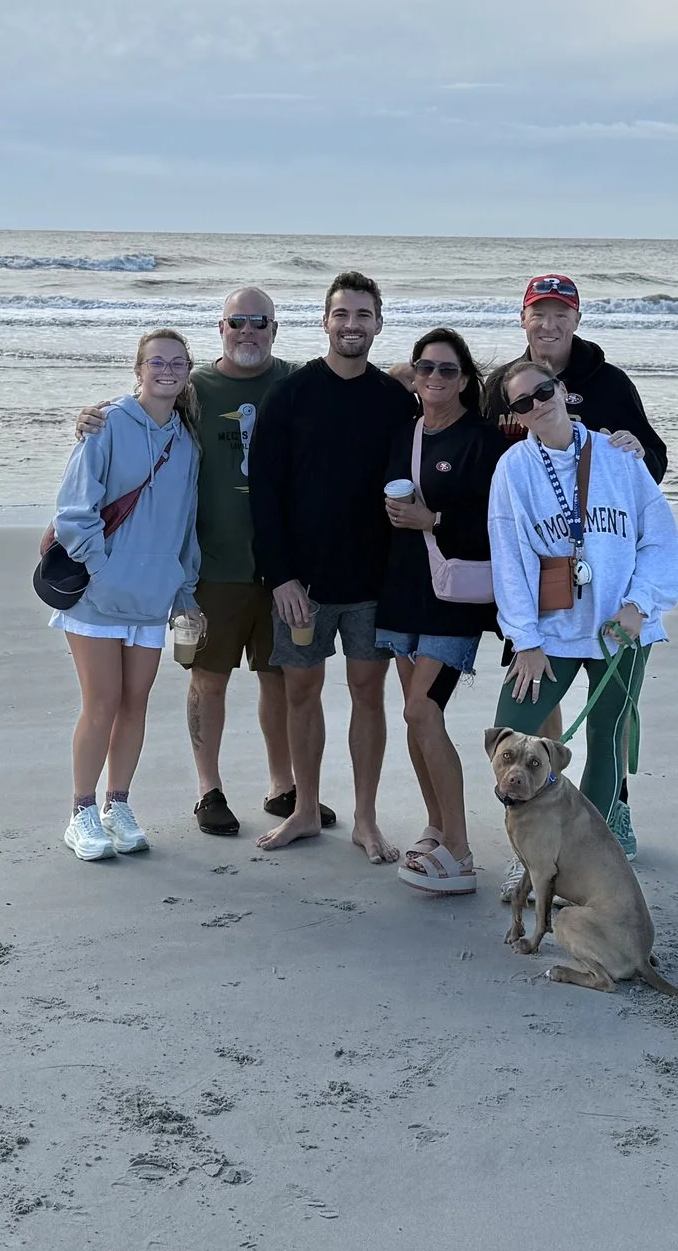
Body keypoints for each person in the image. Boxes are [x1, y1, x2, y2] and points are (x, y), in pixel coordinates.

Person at [74, 287, 315, 839]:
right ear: (221, 328)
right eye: (237, 321)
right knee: (209, 679)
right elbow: (143, 405)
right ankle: (209, 789)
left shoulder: (297, 383)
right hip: (210, 564)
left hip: (286, 567)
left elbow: (359, 389)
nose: (248, 330)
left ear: (275, 329)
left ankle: (283, 786)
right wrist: (93, 417)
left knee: (279, 678)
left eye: (260, 321)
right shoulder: (195, 387)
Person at [247, 271, 417, 857]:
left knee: (369, 693)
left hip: (372, 583)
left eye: (363, 314)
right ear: (324, 321)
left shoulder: (395, 400)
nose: (352, 324)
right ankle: (305, 809)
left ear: (379, 324)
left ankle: (366, 819)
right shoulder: (289, 395)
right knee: (301, 691)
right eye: (342, 314)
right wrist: (280, 576)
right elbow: (264, 492)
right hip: (302, 585)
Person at [487, 355, 678, 857]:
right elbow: (509, 560)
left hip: (622, 625)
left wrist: (640, 605)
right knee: (513, 730)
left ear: (561, 390)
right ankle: (534, 852)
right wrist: (525, 640)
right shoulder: (514, 469)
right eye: (523, 403)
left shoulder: (618, 454)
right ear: (516, 415)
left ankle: (587, 854)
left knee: (607, 733)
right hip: (552, 629)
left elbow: (659, 536)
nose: (537, 405)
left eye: (543, 391)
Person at [48, 328, 205, 862]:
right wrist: (102, 568)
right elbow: (75, 509)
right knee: (102, 703)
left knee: (135, 704)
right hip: (99, 595)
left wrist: (184, 591)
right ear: (138, 370)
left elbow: (185, 525)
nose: (167, 370)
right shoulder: (109, 423)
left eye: (177, 362)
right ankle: (81, 813)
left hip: (153, 597)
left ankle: (117, 805)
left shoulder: (186, 441)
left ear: (188, 372)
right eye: (156, 361)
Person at [374, 327, 502, 896]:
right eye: (425, 368)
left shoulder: (483, 440)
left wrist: (436, 520)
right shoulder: (404, 433)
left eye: (448, 369)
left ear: (466, 378)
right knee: (415, 714)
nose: (435, 378)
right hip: (405, 587)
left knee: (422, 711)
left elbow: (498, 520)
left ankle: (461, 851)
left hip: (456, 596)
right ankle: (436, 826)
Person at [486, 273, 666, 479]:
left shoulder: (611, 383)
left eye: (561, 315)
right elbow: (479, 457)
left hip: (593, 497)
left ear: (577, 320)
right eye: (538, 314)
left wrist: (638, 456)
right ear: (523, 318)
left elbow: (656, 464)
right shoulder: (501, 383)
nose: (549, 325)